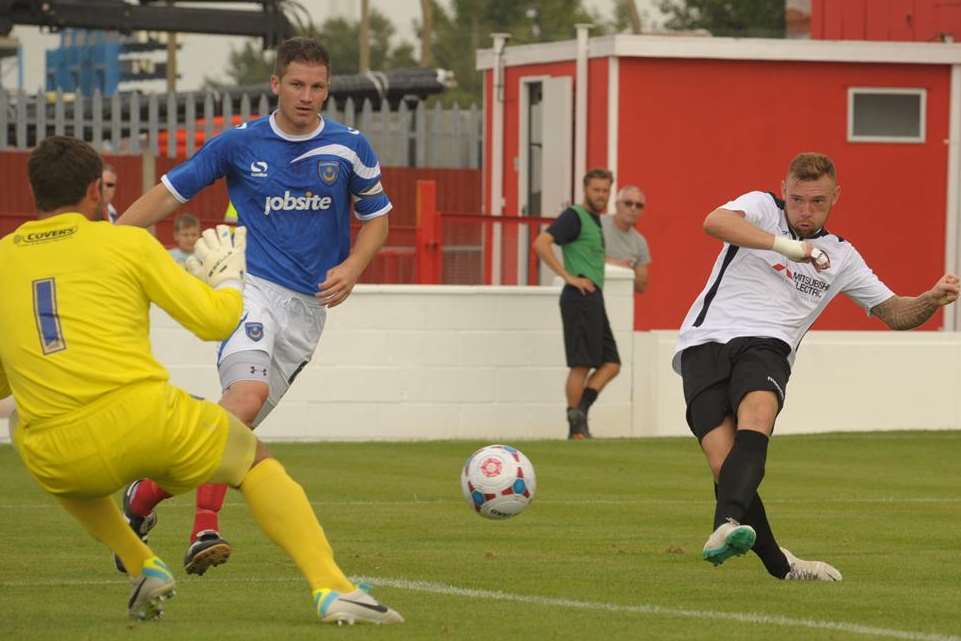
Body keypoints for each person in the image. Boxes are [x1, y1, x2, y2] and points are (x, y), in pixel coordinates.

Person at [0, 136, 402, 624]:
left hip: (60, 453)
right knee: (252, 459)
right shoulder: (126, 243)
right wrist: (229, 278)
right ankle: (333, 587)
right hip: (145, 422)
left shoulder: (4, 258)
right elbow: (212, 322)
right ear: (94, 193)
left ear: (33, 194)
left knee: (30, 429)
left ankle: (142, 564)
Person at [115, 36, 391, 576]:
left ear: (327, 88)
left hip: (308, 314)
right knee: (245, 398)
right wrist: (109, 240)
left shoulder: (349, 147)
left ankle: (142, 498)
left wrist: (354, 266)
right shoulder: (238, 145)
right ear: (275, 84)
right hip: (251, 292)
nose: (307, 96)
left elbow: (377, 217)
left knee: (227, 436)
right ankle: (204, 530)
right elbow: (171, 193)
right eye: (296, 84)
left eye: (317, 86)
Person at [675, 152, 959, 581]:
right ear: (784, 191)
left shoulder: (842, 256)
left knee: (757, 414)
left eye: (817, 202)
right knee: (723, 462)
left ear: (835, 198)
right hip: (704, 341)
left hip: (767, 346)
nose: (805, 211)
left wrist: (928, 299)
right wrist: (789, 247)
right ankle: (781, 566)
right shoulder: (760, 207)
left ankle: (727, 524)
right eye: (797, 200)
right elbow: (714, 222)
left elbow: (895, 313)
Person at [533, 168, 621, 440]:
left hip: (594, 297)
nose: (601, 195)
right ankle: (576, 430)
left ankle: (580, 411)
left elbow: (591, 257)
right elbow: (541, 243)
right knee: (581, 365)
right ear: (585, 189)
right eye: (596, 190)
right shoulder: (574, 216)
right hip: (579, 297)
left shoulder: (595, 220)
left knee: (611, 363)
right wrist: (568, 277)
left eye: (605, 190)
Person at [602, 185, 651, 293]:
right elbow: (582, 259)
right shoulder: (597, 225)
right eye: (628, 203)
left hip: (621, 299)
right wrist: (620, 265)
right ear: (617, 205)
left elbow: (641, 286)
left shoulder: (640, 242)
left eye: (639, 205)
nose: (633, 208)